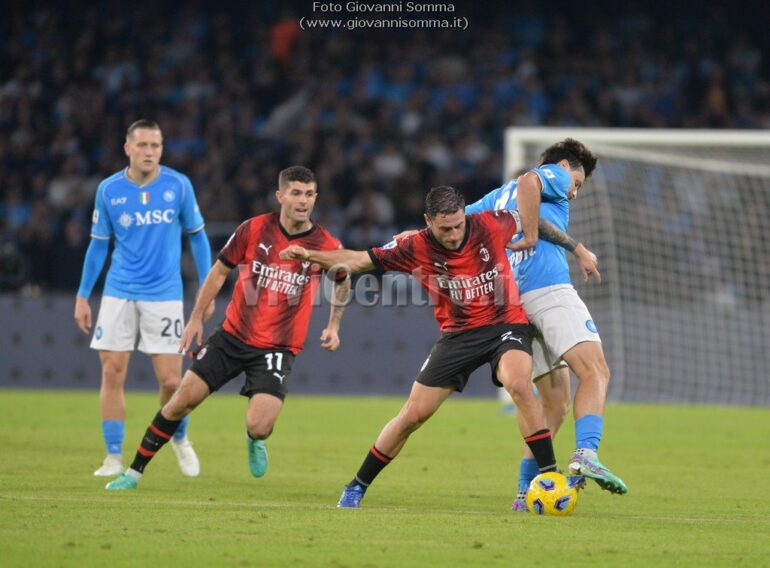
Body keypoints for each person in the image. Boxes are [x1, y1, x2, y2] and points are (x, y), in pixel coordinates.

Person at [280, 184, 580, 509]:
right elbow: (354, 261)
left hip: (505, 327)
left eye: (457, 226)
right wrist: (310, 254)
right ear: (428, 221)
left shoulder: (492, 223)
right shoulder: (413, 246)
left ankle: (549, 476)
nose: (453, 235)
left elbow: (531, 218)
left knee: (519, 384)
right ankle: (357, 485)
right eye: (444, 229)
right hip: (458, 336)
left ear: (465, 216)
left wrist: (577, 249)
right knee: (412, 415)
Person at [104, 165, 350, 490]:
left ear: (315, 197)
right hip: (232, 337)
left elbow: (343, 280)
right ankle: (133, 473)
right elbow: (219, 272)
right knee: (180, 401)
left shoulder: (325, 243)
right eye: (295, 193)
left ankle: (254, 439)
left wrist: (334, 324)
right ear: (281, 196)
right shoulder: (253, 229)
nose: (302, 200)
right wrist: (195, 316)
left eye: (308, 194)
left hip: (277, 347)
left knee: (261, 425)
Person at [466, 138, 628, 509]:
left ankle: (525, 492)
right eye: (577, 183)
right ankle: (586, 452)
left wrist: (416, 237)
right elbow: (528, 182)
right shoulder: (550, 174)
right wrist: (573, 247)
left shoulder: (498, 196)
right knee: (596, 371)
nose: (573, 192)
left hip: (513, 304)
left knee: (553, 404)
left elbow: (459, 222)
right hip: (548, 289)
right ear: (565, 166)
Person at [75, 119, 213, 478]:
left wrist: (205, 286)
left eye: (156, 145)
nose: (150, 152)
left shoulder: (178, 186)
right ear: (128, 148)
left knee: (171, 381)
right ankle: (113, 457)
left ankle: (179, 437)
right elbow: (97, 246)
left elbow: (197, 237)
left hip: (165, 295)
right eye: (143, 145)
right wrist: (82, 295)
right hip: (119, 293)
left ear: (161, 149)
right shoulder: (109, 191)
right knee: (112, 371)